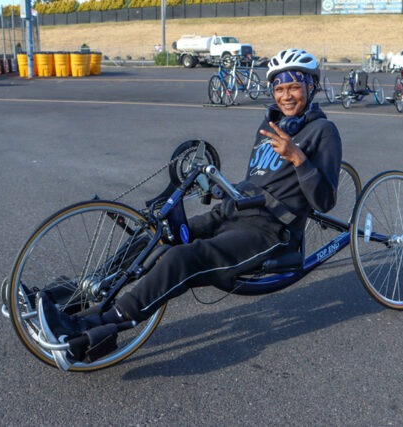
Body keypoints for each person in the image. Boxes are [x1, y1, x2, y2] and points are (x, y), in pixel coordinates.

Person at [38, 48, 343, 365]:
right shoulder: (270, 127)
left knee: (184, 257)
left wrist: (297, 157)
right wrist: (222, 190)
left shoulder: (324, 132)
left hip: (269, 231)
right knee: (157, 234)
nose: (286, 96)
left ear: (311, 86)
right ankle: (80, 292)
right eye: (279, 88)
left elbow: (323, 200)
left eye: (294, 87)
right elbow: (259, 179)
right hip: (233, 212)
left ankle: (95, 324)